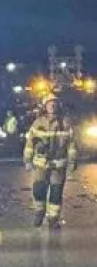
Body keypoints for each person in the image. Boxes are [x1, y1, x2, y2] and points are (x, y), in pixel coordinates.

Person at [23, 95, 78, 228]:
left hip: (58, 165)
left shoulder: (65, 124)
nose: (52, 106)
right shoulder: (38, 123)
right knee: (39, 190)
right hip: (40, 164)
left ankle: (53, 219)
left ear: (58, 106)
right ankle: (39, 212)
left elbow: (71, 145)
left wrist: (72, 161)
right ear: (45, 107)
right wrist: (27, 159)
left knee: (56, 192)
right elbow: (30, 143)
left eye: (54, 104)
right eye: (49, 104)